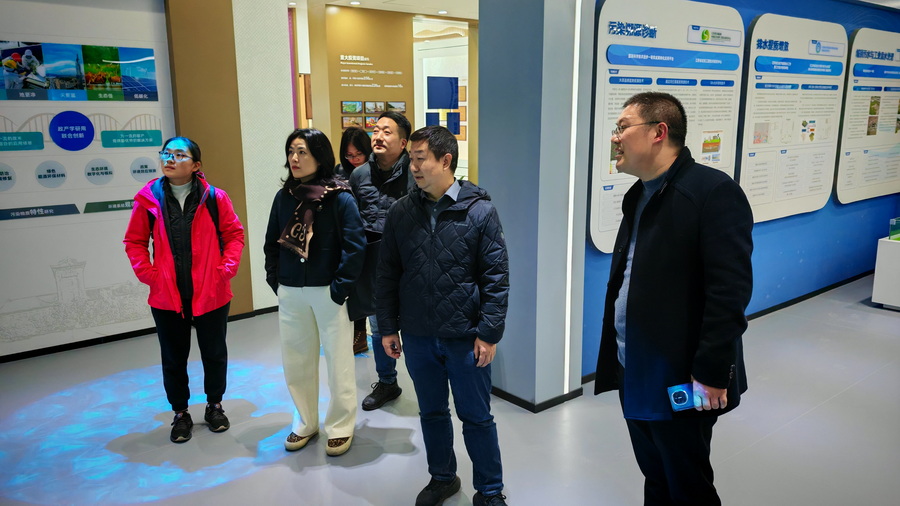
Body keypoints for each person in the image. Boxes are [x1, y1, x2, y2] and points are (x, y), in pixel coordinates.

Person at [594, 92, 753, 505]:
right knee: (656, 474)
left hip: (683, 376)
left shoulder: (712, 192)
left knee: (687, 482)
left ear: (658, 132)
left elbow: (729, 293)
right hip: (634, 366)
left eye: (622, 127)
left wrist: (712, 373)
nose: (615, 138)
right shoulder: (639, 194)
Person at [376, 125, 510, 506]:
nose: (413, 168)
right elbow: (387, 274)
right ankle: (442, 478)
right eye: (411, 160)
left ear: (446, 160)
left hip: (465, 336)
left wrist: (489, 333)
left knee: (477, 417)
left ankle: (490, 490)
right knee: (432, 413)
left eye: (420, 159)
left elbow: (496, 277)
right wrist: (388, 327)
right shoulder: (401, 212)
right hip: (418, 335)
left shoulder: (480, 211)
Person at [124, 136, 245, 443]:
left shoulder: (215, 198)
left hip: (211, 291)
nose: (170, 159)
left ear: (196, 165)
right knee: (173, 358)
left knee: (214, 353)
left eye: (179, 155)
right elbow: (134, 241)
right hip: (166, 295)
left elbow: (234, 235)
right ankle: (180, 413)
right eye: (166, 153)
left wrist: (225, 270)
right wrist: (150, 274)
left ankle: (214, 405)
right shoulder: (148, 199)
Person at [264, 128, 365, 456]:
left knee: (338, 362)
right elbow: (271, 243)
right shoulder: (284, 197)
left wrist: (339, 289)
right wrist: (276, 281)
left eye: (302, 152)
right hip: (291, 290)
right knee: (296, 361)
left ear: (320, 157)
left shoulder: (340, 197)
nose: (294, 158)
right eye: (291, 151)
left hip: (328, 292)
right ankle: (305, 422)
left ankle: (341, 425)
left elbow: (355, 246)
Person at [348, 111, 413, 411]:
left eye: (387, 131)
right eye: (376, 130)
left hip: (409, 261)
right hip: (374, 261)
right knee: (379, 323)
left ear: (403, 142)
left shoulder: (415, 171)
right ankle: (387, 382)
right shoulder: (359, 174)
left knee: (414, 324)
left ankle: (427, 381)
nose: (378, 136)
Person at [334, 126, 374, 354]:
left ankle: (361, 334)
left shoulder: (373, 171)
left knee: (364, 287)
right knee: (349, 285)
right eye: (349, 155)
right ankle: (353, 333)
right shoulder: (339, 171)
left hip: (368, 235)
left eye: (359, 154)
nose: (355, 159)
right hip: (344, 235)